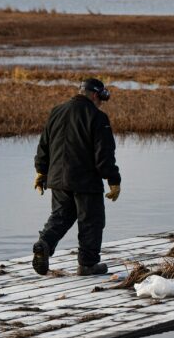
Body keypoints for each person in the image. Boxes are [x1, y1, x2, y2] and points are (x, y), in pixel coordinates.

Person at [32, 78, 121, 276]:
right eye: (101, 98)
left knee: (61, 216)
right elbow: (104, 155)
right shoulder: (98, 118)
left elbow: (44, 145)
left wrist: (41, 171)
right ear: (96, 95)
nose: (101, 103)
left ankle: (44, 244)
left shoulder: (57, 111)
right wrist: (113, 180)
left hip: (57, 178)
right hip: (86, 180)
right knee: (91, 221)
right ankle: (88, 265)